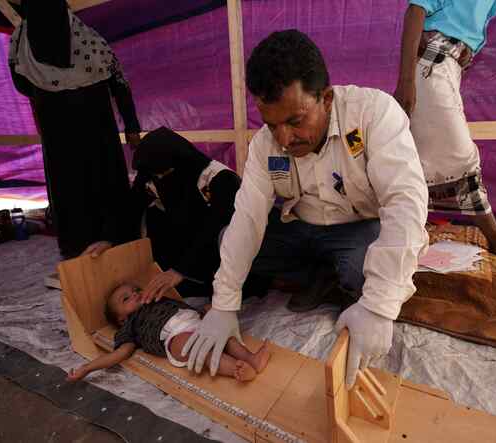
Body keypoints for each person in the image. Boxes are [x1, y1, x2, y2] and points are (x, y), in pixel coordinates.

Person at [181, 30, 429, 389]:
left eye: (296, 121)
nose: (284, 138)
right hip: (303, 230)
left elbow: (405, 201)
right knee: (227, 240)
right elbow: (247, 219)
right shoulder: (266, 145)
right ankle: (322, 274)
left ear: (326, 98)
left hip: (357, 228)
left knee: (367, 275)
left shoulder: (372, 115)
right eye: (271, 124)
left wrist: (379, 306)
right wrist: (223, 304)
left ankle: (335, 278)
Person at [394, 0, 496, 268]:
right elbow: (416, 10)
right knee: (462, 159)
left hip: (448, 67)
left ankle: (383, 234)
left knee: (412, 163)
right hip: (432, 65)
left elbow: (466, 22)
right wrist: (406, 84)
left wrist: (466, 49)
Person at [8, 0, 141, 259]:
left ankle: (118, 245)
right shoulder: (22, 46)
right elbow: (22, 85)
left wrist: (132, 125)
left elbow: (119, 84)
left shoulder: (90, 44)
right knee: (70, 192)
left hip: (97, 135)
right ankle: (78, 255)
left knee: (104, 185)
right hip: (60, 140)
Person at [84, 127, 269, 300]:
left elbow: (214, 229)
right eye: (156, 176)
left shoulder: (219, 179)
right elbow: (131, 204)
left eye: (165, 173)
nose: (160, 179)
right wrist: (109, 238)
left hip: (215, 250)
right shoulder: (153, 172)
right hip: (183, 245)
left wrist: (181, 271)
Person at [67, 284, 270, 383]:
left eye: (136, 289)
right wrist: (87, 368)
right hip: (175, 338)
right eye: (126, 298)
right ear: (122, 319)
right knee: (201, 349)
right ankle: (236, 369)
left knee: (223, 334)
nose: (136, 294)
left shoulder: (158, 298)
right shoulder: (131, 325)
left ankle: (251, 358)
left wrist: (209, 311)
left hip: (197, 322)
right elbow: (119, 353)